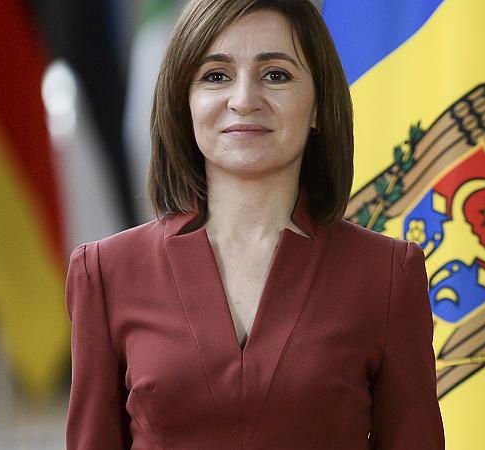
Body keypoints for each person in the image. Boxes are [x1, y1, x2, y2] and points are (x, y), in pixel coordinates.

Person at [64, 0, 445, 448]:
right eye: (216, 76)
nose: (244, 100)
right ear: (184, 102)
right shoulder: (106, 273)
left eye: (276, 75)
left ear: (319, 106)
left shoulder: (387, 274)